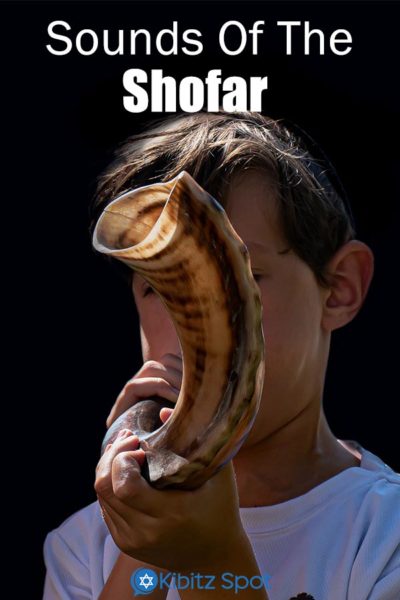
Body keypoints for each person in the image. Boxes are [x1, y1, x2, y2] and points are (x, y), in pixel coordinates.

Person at [42, 112, 400, 600]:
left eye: (232, 282)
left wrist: (207, 562)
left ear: (339, 289)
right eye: (156, 288)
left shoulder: (384, 534)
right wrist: (146, 536)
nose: (194, 335)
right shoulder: (87, 547)